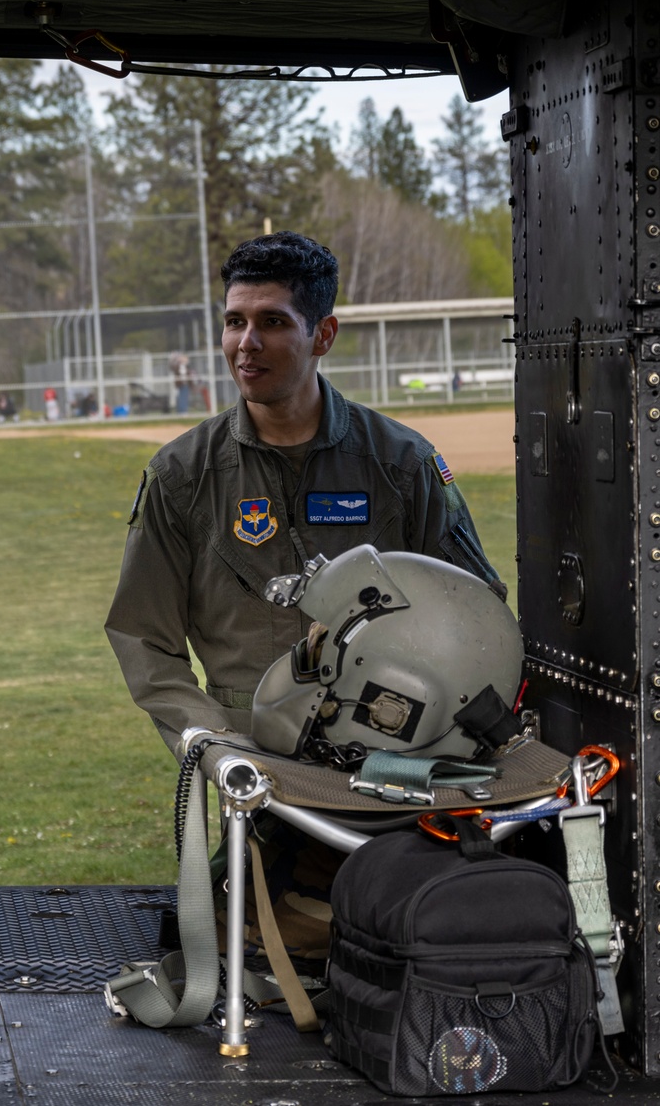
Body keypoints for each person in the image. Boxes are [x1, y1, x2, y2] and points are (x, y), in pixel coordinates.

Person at [105, 231, 503, 758]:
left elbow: (475, 608)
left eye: (272, 322)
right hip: (251, 761)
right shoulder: (181, 475)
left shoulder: (403, 465)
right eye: (234, 322)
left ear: (323, 335)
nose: (246, 342)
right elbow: (143, 637)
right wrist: (210, 741)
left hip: (388, 754)